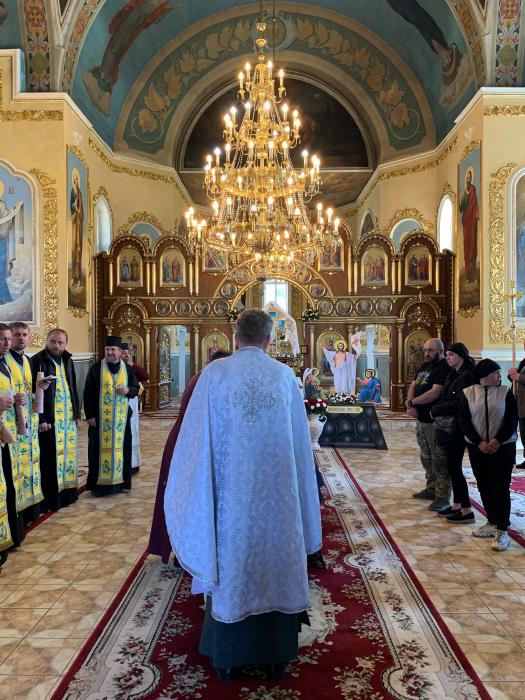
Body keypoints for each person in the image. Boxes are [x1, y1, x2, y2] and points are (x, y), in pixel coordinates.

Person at [164, 309, 321, 681]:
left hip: (229, 504)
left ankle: (228, 655)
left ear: (235, 337)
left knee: (233, 565)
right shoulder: (284, 377)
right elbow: (301, 447)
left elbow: (194, 443)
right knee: (276, 563)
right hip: (278, 504)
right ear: (269, 339)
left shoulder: (214, 375)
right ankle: (276, 653)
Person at [148, 350, 231, 565]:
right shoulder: (206, 381)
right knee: (189, 500)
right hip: (188, 443)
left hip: (185, 440)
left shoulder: (202, 377)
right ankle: (185, 554)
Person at [459, 359, 518, 551]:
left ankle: (502, 529)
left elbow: (512, 419)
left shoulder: (506, 392)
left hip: (503, 447)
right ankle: (492, 521)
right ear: (484, 376)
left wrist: (497, 440)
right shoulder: (467, 393)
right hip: (478, 448)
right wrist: (479, 442)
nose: (500, 376)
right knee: (484, 485)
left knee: (500, 487)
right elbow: (464, 421)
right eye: (495, 373)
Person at [31, 328, 81, 512]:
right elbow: (33, 391)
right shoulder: (37, 360)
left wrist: (76, 413)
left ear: (65, 343)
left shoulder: (68, 359)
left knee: (68, 456)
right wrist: (41, 418)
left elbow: (73, 387)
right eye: (53, 341)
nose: (57, 345)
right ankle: (53, 499)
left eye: (60, 342)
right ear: (47, 340)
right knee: (50, 460)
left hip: (67, 419)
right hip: (50, 420)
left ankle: (68, 494)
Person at [84, 336, 139, 496]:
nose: (110, 352)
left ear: (120, 351)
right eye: (107, 349)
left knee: (122, 450)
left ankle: (120, 484)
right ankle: (98, 486)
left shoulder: (127, 369)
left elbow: (136, 388)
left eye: (113, 350)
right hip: (100, 420)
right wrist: (90, 415)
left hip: (121, 421)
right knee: (96, 451)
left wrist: (128, 390)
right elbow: (88, 393)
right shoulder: (96, 369)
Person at [7, 322, 47, 525]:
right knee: (17, 468)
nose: (20, 338)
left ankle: (32, 508)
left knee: (32, 463)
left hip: (29, 421)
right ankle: (19, 511)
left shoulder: (29, 361)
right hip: (12, 423)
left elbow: (30, 389)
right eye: (16, 335)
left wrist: (40, 387)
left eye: (24, 334)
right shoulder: (4, 361)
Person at [430, 343, 475, 523]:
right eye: (447, 354)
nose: (447, 357)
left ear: (461, 356)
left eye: (451, 354)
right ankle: (457, 505)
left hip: (459, 426)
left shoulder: (468, 375)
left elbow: (460, 403)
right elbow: (445, 396)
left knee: (455, 468)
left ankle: (467, 510)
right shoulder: (453, 373)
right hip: (449, 426)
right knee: (452, 466)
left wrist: (436, 410)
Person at [405, 338, 451, 511]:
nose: (426, 353)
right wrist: (410, 404)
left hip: (435, 422)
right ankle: (431, 488)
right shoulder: (425, 366)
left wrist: (412, 403)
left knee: (439, 459)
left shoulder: (444, 367)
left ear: (440, 351)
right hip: (421, 420)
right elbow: (413, 384)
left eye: (430, 350)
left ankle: (442, 497)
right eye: (425, 350)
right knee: (426, 457)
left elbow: (434, 393)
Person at [0, 323, 24, 549]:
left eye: (8, 338)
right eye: (2, 339)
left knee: (8, 482)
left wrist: (17, 400)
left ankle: (10, 535)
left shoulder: (5, 364)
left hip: (4, 433)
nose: (7, 343)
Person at [121, 342, 142, 471]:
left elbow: (145, 376)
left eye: (128, 353)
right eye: (124, 352)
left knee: (131, 432)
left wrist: (132, 364)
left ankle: (132, 464)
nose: (126, 355)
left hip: (130, 402)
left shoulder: (130, 367)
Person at [459, 167, 479, 284]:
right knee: (466, 247)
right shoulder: (464, 193)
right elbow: (461, 208)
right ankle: (467, 275)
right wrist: (459, 198)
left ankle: (472, 275)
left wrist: (476, 213)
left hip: (472, 221)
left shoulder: (473, 189)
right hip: (466, 222)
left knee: (473, 246)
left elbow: (475, 203)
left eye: (470, 177)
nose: (468, 179)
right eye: (467, 177)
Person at [508, 341, 525, 468]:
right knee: (524, 434)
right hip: (521, 403)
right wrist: (512, 375)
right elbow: (517, 379)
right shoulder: (524, 361)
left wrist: (518, 376)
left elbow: (520, 378)